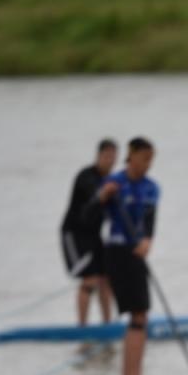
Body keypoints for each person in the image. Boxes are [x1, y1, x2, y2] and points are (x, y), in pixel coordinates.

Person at [85, 136, 159, 375]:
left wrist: (148, 240)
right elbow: (87, 217)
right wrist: (103, 197)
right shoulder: (114, 182)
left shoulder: (151, 188)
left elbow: (149, 222)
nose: (148, 164)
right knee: (137, 314)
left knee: (141, 317)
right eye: (145, 158)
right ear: (133, 155)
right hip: (116, 252)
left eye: (152, 160)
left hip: (137, 253)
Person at [60, 138, 118, 327]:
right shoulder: (86, 176)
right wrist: (104, 194)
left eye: (113, 157)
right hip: (74, 234)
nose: (110, 161)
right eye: (107, 156)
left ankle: (107, 325)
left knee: (105, 278)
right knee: (89, 279)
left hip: (94, 235)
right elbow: (95, 197)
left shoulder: (111, 181)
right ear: (98, 156)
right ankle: (82, 327)